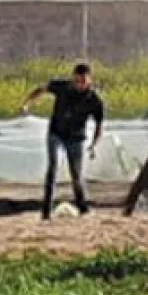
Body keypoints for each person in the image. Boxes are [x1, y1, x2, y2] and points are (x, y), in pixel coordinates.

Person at [21, 62, 105, 220]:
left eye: (83, 82)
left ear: (89, 81)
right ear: (73, 78)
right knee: (53, 168)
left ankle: (83, 208)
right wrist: (27, 103)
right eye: (77, 81)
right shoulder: (63, 87)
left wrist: (94, 144)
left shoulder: (94, 100)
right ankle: (46, 210)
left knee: (76, 175)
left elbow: (99, 126)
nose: (79, 85)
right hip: (56, 134)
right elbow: (42, 89)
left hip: (77, 139)